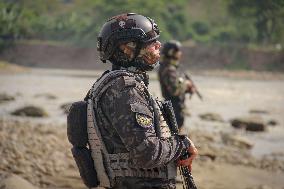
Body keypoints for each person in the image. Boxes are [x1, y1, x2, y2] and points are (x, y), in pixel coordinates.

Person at [68, 13, 198, 189]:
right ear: (126, 49)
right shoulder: (125, 89)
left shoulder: (112, 84)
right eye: (151, 42)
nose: (159, 45)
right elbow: (147, 153)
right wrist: (182, 144)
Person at [158, 40, 196, 131]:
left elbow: (177, 87)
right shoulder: (169, 69)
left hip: (176, 109)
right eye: (178, 51)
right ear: (172, 52)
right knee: (175, 136)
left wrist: (188, 88)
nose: (180, 53)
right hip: (173, 109)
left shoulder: (173, 68)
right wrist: (186, 84)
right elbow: (174, 90)